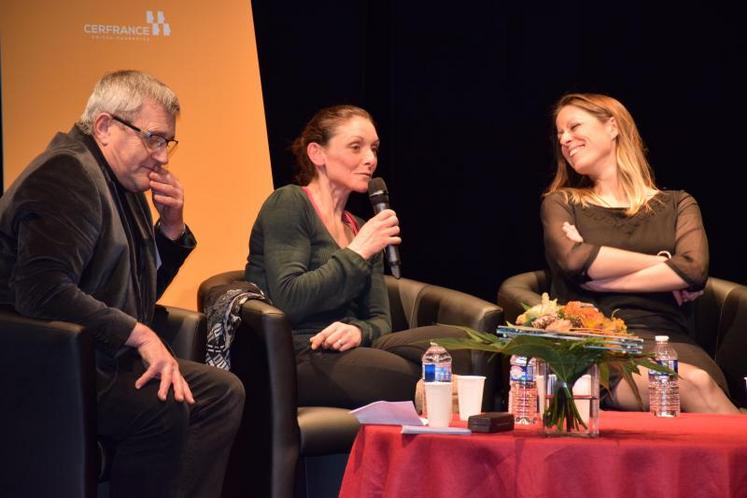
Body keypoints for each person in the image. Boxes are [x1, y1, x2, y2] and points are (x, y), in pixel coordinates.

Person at [0, 70, 245, 497]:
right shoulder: (66, 173)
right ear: (105, 126)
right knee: (162, 408)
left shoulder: (122, 181)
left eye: (167, 142)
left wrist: (170, 229)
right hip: (44, 366)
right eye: (153, 138)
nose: (163, 157)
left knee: (221, 394)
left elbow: (136, 293)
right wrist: (138, 333)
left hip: (95, 356)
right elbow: (41, 291)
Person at [245, 105, 472, 408]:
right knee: (410, 375)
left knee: (464, 343)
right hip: (302, 351)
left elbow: (380, 319)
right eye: (356, 147)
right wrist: (357, 251)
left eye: (374, 149)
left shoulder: (361, 227)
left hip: (353, 348)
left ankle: (435, 393)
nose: (371, 159)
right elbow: (289, 299)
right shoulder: (289, 203)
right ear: (317, 153)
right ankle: (441, 395)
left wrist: (357, 330)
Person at [542, 92, 739, 414]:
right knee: (688, 383)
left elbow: (693, 271)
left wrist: (605, 279)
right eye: (560, 133)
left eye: (574, 126)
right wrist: (663, 264)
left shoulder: (677, 204)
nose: (565, 139)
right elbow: (575, 260)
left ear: (612, 127)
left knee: (697, 378)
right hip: (597, 347)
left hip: (670, 341)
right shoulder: (563, 203)